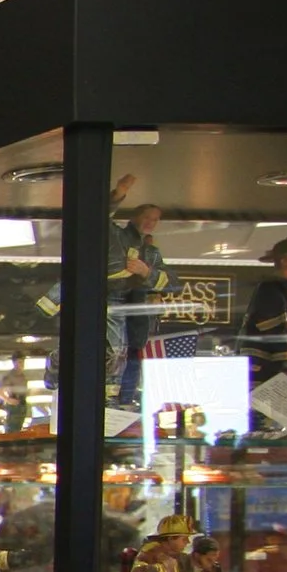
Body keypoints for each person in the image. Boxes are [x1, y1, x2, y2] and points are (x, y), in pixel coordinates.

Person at [110, 173, 172, 405]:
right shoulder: (116, 237)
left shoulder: (152, 253)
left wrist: (147, 273)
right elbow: (98, 217)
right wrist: (119, 193)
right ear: (135, 216)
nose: (150, 222)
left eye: (155, 219)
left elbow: (172, 283)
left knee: (128, 378)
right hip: (112, 316)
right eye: (146, 217)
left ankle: (123, 405)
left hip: (137, 330)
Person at [243, 235, 287, 392]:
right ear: (284, 260)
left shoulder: (286, 291)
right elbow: (276, 329)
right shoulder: (269, 290)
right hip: (267, 370)